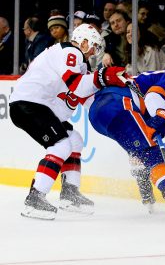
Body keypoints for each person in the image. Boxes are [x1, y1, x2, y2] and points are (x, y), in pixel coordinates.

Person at [9, 24, 128, 220]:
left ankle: (69, 194)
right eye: (94, 47)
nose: (94, 52)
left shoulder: (75, 60)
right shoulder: (70, 51)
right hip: (29, 103)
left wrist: (119, 111)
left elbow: (87, 98)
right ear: (83, 42)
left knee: (74, 140)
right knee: (61, 145)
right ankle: (35, 197)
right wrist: (104, 76)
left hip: (37, 104)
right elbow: (79, 87)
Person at [88, 63, 165, 223]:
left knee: (140, 146)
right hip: (118, 103)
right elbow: (154, 96)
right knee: (151, 151)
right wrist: (161, 117)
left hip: (103, 112)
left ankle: (146, 193)